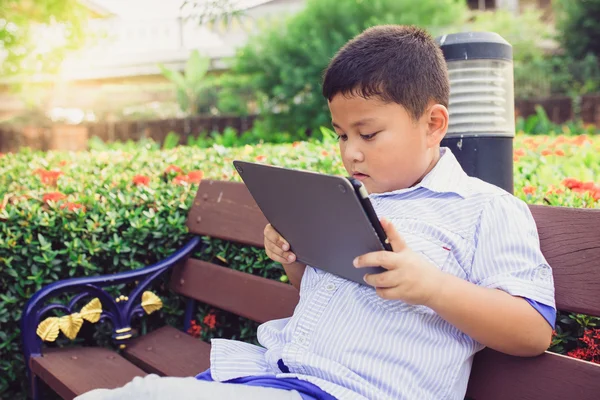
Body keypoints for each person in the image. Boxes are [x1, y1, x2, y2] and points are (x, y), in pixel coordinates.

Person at [76, 25, 556, 400]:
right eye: (341, 135)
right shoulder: (351, 199)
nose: (351, 153)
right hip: (277, 376)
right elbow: (329, 298)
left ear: (433, 124)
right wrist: (294, 260)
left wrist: (433, 287)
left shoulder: (485, 209)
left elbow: (533, 330)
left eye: (368, 134)